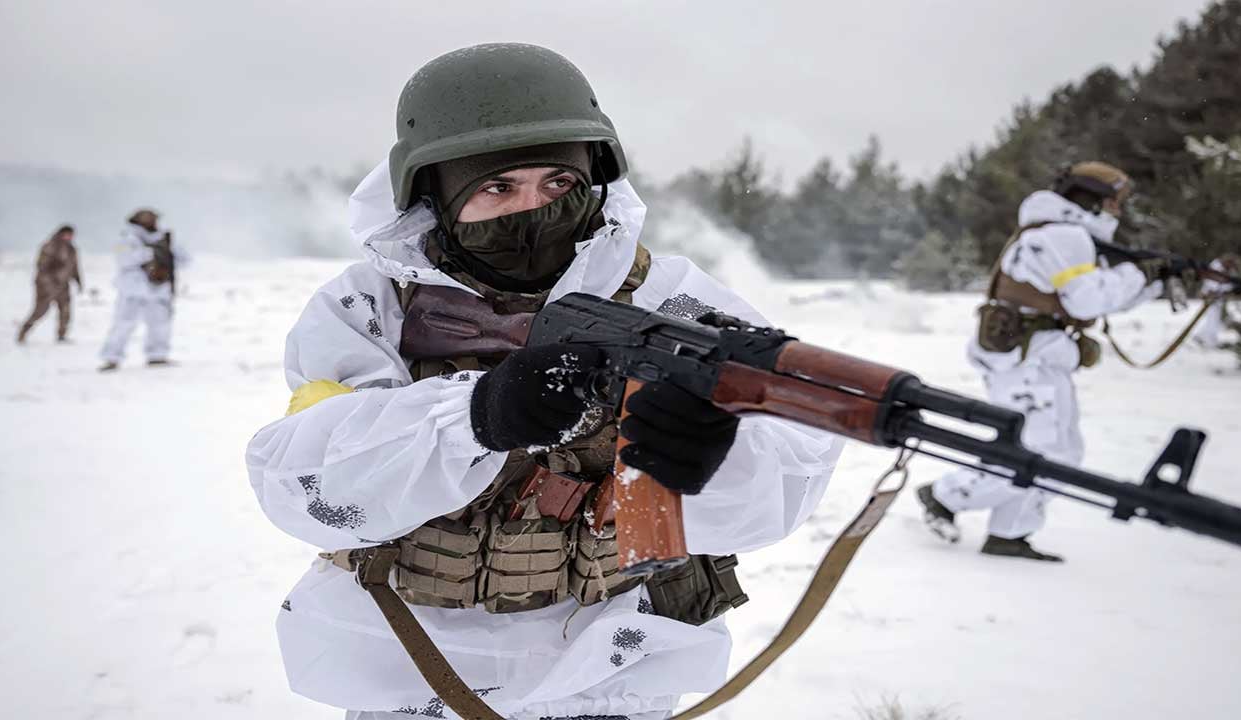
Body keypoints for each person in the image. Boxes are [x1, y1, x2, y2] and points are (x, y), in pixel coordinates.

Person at [246, 44, 843, 720]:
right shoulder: (371, 308)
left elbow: (784, 488)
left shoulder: (668, 299)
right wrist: (476, 414)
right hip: (412, 671)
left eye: (559, 183)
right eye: (496, 188)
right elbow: (309, 486)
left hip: (612, 670)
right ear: (433, 195)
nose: (533, 210)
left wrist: (712, 454)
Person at [916, 162, 1167, 562]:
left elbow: (1091, 297)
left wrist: (1155, 282)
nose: (1117, 212)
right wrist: (1139, 276)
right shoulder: (1064, 237)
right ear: (1091, 199)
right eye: (1113, 202)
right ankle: (945, 495)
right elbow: (1089, 300)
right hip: (1028, 360)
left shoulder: (1062, 235)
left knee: (1059, 450)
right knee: (1044, 451)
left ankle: (1009, 533)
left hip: (1040, 356)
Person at [98, 209, 183, 371]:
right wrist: (150, 253)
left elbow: (185, 260)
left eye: (154, 218)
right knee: (123, 324)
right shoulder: (125, 239)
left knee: (160, 325)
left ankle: (157, 356)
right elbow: (123, 260)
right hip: (132, 290)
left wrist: (169, 250)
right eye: (148, 219)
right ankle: (111, 358)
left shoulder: (164, 239)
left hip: (158, 290)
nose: (152, 221)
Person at [16, 224, 82, 343]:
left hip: (63, 285)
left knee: (65, 311)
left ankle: (61, 335)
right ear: (61, 233)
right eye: (67, 234)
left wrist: (78, 281)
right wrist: (51, 278)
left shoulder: (71, 249)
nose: (69, 237)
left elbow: (74, 267)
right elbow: (41, 265)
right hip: (46, 285)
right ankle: (23, 331)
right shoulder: (50, 245)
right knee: (41, 311)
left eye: (71, 234)